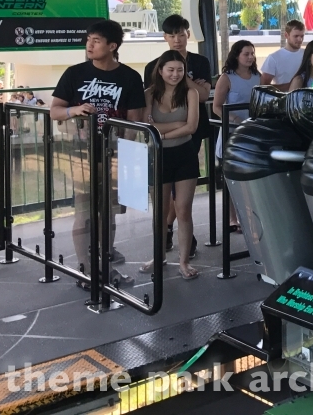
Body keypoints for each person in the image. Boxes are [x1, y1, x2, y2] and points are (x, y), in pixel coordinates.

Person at [50, 20, 145, 288]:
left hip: (114, 153)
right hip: (81, 154)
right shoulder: (74, 73)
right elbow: (55, 110)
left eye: (97, 41)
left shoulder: (129, 77)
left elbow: (134, 122)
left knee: (110, 213)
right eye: (88, 39)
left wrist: (124, 158)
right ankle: (86, 270)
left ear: (112, 46)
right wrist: (74, 110)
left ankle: (106, 265)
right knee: (85, 212)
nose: (89, 45)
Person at [143, 15, 211, 254]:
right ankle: (166, 236)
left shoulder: (200, 62)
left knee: (183, 197)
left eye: (181, 34)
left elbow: (203, 97)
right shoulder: (152, 68)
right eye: (171, 35)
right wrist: (176, 125)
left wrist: (186, 79)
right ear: (165, 38)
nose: (177, 39)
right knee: (164, 197)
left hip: (190, 138)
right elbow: (147, 118)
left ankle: (182, 241)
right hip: (160, 146)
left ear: (187, 35)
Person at [141, 50, 200, 280]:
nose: (175, 74)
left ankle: (183, 261)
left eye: (180, 69)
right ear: (160, 70)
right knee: (161, 212)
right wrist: (177, 123)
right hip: (158, 156)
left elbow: (192, 127)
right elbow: (147, 127)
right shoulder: (149, 94)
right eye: (171, 69)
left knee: (184, 210)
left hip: (185, 153)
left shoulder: (191, 93)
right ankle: (159, 255)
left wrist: (162, 133)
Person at [213, 40, 260, 233]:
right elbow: (216, 106)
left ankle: (251, 216)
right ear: (237, 56)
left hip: (251, 133)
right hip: (231, 133)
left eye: (252, 54)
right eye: (246, 54)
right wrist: (232, 118)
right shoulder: (227, 77)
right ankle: (233, 218)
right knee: (231, 178)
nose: (250, 57)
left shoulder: (258, 76)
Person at [260, 20, 306, 91]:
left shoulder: (308, 54)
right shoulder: (273, 58)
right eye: (296, 36)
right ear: (286, 35)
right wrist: (292, 86)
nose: (300, 39)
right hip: (282, 100)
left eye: (302, 36)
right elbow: (263, 86)